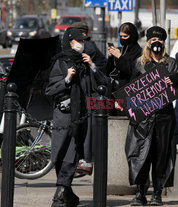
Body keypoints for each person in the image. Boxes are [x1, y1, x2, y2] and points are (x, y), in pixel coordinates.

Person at [46, 28, 107, 207]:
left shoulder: (85, 62)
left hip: (82, 116)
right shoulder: (60, 62)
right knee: (62, 154)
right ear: (70, 42)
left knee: (72, 154)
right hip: (64, 116)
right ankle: (63, 192)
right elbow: (50, 89)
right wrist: (66, 79)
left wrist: (93, 66)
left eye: (84, 41)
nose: (83, 44)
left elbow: (102, 84)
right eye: (79, 41)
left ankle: (63, 194)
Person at [125, 26, 178, 206]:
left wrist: (173, 81)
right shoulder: (139, 63)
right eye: (153, 40)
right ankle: (139, 193)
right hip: (143, 119)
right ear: (148, 43)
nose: (156, 44)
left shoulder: (171, 63)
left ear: (164, 43)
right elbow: (130, 90)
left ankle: (157, 193)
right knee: (141, 156)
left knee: (162, 155)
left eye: (159, 41)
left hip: (164, 118)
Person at [67, 22, 108, 177]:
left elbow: (101, 73)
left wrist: (91, 66)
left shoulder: (87, 48)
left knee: (88, 129)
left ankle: (86, 160)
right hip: (90, 92)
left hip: (92, 93)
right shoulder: (87, 46)